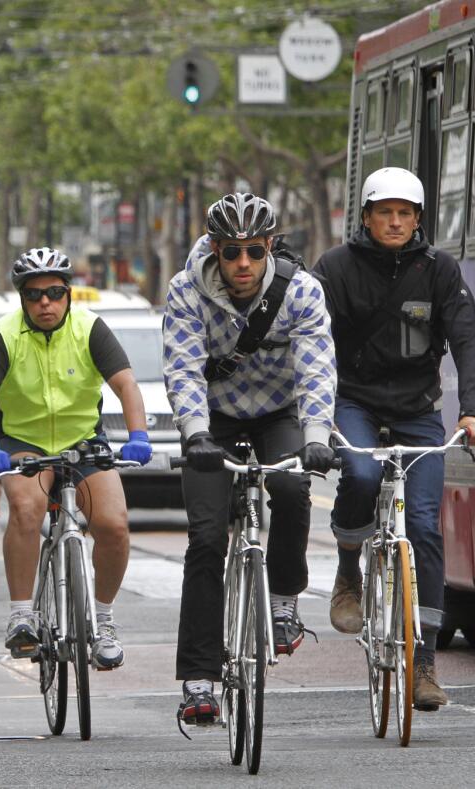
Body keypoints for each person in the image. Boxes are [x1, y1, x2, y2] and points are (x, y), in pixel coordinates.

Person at [313, 167, 475, 711]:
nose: (395, 221)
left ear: (418, 221)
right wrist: (314, 414)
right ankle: (348, 571)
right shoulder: (335, 269)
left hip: (418, 410)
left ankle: (427, 664)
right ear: (365, 217)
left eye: (405, 213)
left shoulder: (439, 270)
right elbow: (311, 341)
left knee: (424, 527)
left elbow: (467, 337)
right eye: (384, 212)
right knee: (362, 474)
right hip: (354, 402)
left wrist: (472, 411)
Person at [162, 193, 337, 726]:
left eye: (255, 252)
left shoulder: (301, 292)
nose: (243, 264)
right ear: (214, 248)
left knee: (291, 488)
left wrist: (315, 435)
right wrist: (194, 434)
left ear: (270, 248)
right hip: (212, 420)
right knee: (208, 537)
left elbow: (316, 370)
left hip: (278, 413)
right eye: (232, 251)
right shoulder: (185, 291)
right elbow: (184, 369)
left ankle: (283, 598)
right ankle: (198, 678)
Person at [0, 246, 151, 670]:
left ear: (68, 293)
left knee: (113, 524)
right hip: (23, 439)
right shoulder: (3, 333)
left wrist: (139, 436)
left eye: (55, 292)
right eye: (34, 295)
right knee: (25, 506)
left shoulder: (90, 328)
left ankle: (105, 621)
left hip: (82, 440)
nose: (45, 303)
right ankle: (22, 614)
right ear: (22, 299)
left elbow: (126, 385)